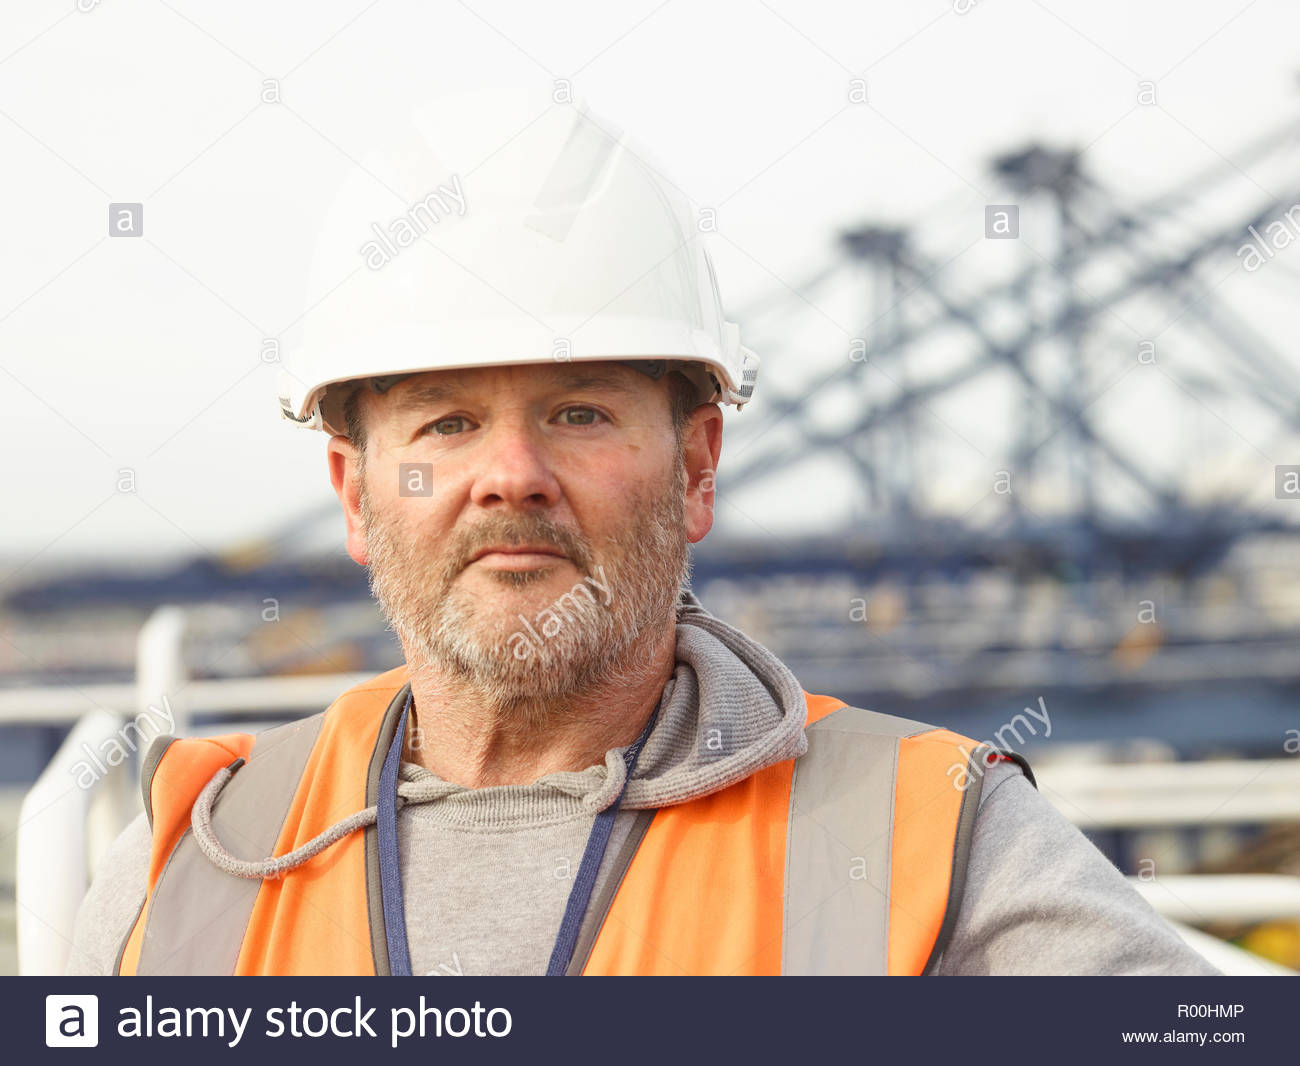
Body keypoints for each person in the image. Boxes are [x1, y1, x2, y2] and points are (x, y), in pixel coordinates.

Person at [67, 90, 1218, 976]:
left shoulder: (934, 833)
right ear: (355, 493)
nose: (510, 477)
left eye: (578, 414)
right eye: (448, 422)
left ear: (699, 467)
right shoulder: (194, 859)